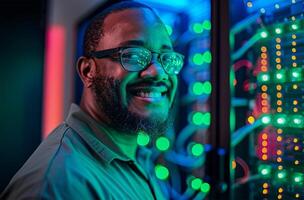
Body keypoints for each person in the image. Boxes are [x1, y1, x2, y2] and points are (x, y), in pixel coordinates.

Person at [1, 1, 184, 199]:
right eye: (133, 55)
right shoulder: (57, 184)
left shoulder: (136, 154)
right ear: (88, 71)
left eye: (167, 58)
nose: (158, 72)